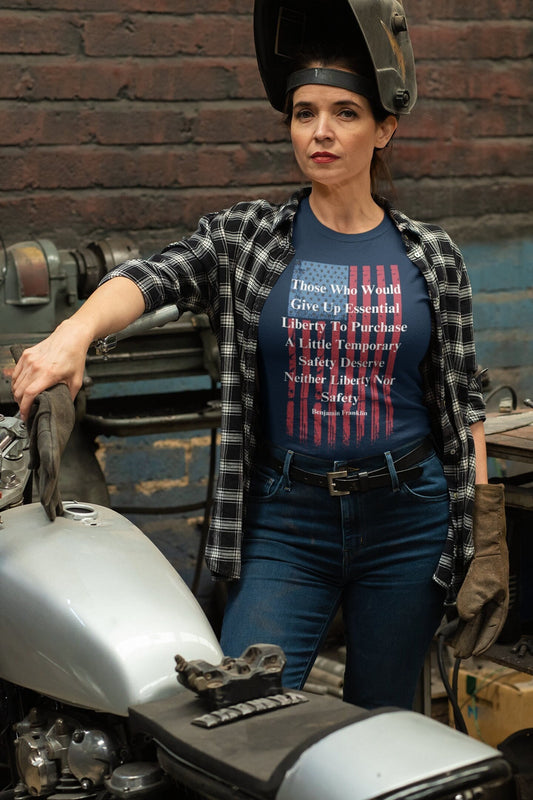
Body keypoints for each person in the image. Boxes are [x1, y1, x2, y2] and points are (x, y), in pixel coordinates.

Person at [11, 0, 494, 710]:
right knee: (236, 707)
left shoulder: (430, 255)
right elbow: (154, 275)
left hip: (407, 515)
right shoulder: (251, 236)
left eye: (344, 113)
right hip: (289, 518)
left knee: (385, 717)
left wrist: (483, 530)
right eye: (304, 114)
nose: (320, 132)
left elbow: (461, 397)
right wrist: (70, 334)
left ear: (383, 127)